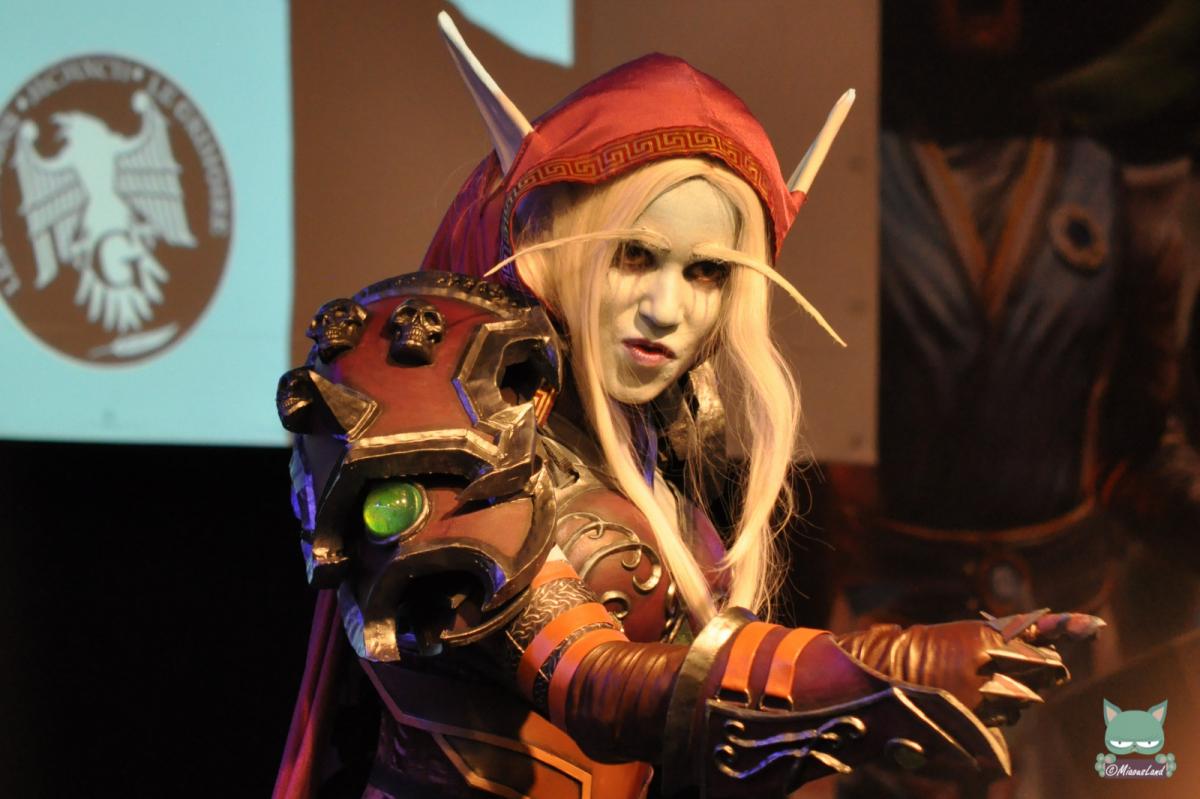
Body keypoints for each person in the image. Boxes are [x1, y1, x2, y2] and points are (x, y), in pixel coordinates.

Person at [271, 15, 1098, 799]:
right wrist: (891, 665)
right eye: (635, 256)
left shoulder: (644, 442)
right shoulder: (425, 394)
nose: (667, 309)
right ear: (555, 240)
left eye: (706, 272)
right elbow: (593, 681)